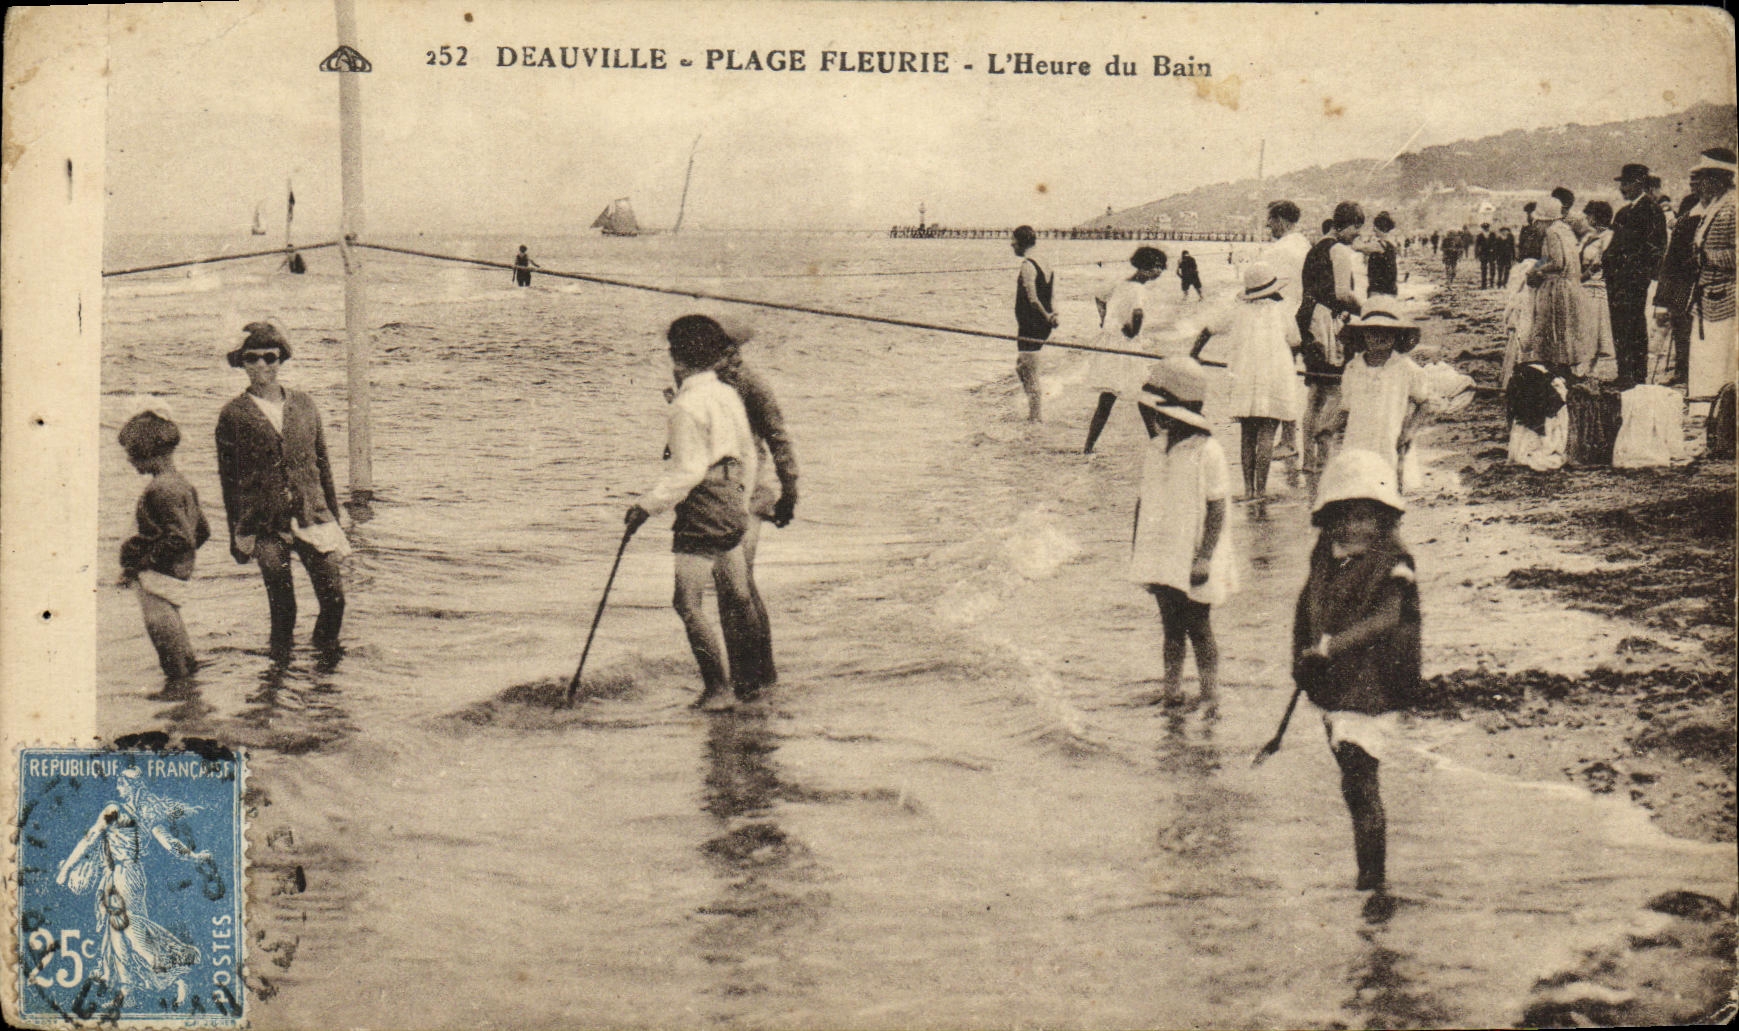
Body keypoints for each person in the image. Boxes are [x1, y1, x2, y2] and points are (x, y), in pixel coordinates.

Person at [1291, 449, 1420, 896]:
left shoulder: (1394, 559)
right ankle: (1369, 877)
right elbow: (1308, 608)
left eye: (1367, 516)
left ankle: (1373, 880)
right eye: (1346, 515)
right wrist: (1303, 660)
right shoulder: (1326, 554)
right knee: (1352, 780)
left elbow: (1386, 619)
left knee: (1362, 780)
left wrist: (1331, 645)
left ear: (1384, 518)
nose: (1356, 526)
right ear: (1331, 516)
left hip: (1376, 682)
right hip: (1336, 684)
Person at [625, 315, 766, 710]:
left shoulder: (686, 405)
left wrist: (645, 507)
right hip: (733, 496)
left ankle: (717, 690)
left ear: (677, 355)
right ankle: (753, 685)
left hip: (703, 504)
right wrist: (740, 500)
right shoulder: (726, 394)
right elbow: (749, 453)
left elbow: (687, 471)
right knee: (738, 595)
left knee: (687, 603)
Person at [215, 322, 349, 653]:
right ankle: (279, 681)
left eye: (270, 357)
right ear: (242, 363)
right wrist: (236, 534)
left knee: (335, 600)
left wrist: (334, 517)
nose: (262, 365)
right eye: (252, 358)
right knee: (283, 608)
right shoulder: (233, 415)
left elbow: (323, 464)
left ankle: (325, 671)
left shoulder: (304, 405)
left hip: (311, 513)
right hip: (262, 522)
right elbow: (229, 481)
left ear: (281, 359)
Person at [55, 769, 212, 1006]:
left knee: (130, 932)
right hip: (134, 876)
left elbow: (89, 839)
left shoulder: (113, 811)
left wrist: (66, 869)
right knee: (120, 935)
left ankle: (175, 972)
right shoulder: (148, 814)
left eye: (122, 784)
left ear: (132, 787)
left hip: (122, 876)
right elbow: (170, 844)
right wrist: (193, 856)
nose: (118, 789)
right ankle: (128, 992)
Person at [1130, 357, 1235, 707]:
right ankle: (1172, 691)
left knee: (1198, 626)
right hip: (1162, 551)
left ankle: (1210, 694)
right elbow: (1144, 503)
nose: (1155, 418)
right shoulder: (1157, 448)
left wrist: (1205, 555)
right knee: (1170, 627)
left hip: (1193, 553)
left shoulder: (1208, 451)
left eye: (1161, 411)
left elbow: (1218, 508)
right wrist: (1138, 552)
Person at [713, 317, 799, 693]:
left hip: (753, 491)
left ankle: (752, 677)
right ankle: (756, 673)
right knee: (737, 583)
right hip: (725, 490)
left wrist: (790, 494)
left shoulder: (751, 384)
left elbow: (779, 440)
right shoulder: (707, 384)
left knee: (736, 583)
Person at [118, 403, 210, 680]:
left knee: (171, 659)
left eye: (130, 454)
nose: (129, 461)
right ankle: (189, 700)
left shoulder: (159, 489)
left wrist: (144, 562)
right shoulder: (181, 483)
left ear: (144, 453)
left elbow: (180, 538)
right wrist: (182, 562)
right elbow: (201, 532)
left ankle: (181, 708)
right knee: (181, 650)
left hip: (157, 581)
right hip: (174, 579)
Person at [1214, 263, 1300, 500]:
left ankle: (1248, 488)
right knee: (1267, 432)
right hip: (1274, 376)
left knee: (1247, 434)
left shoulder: (1239, 310)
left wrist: (1193, 354)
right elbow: (1294, 340)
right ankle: (1261, 490)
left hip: (1244, 376)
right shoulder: (1281, 309)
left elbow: (1211, 328)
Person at [1297, 201, 1366, 477]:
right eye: (1356, 229)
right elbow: (1342, 294)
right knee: (1336, 390)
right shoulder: (1339, 251)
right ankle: (1325, 456)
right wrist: (1367, 311)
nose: (1356, 235)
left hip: (1308, 319)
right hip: (1326, 324)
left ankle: (1308, 460)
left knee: (1314, 393)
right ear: (1348, 225)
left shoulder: (1314, 248)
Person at [1335, 306, 1436, 492]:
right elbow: (1346, 408)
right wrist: (1327, 427)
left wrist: (1409, 432)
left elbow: (1424, 403)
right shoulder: (1353, 368)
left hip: (1390, 441)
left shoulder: (1406, 368)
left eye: (1386, 332)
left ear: (1396, 336)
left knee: (1390, 495)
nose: (1378, 337)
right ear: (1362, 335)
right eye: (1372, 332)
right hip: (1359, 442)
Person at [1084, 246, 1167, 454]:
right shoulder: (1139, 289)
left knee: (1109, 399)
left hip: (1111, 345)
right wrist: (1131, 331)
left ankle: (1088, 447)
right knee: (1143, 395)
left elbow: (1099, 297)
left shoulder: (1121, 282)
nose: (1160, 272)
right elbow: (1137, 313)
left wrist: (1104, 320)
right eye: (1158, 268)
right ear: (1147, 268)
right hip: (1127, 348)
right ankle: (1159, 444)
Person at [1603, 164, 1668, 386]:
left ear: (1639, 183)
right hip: (1617, 281)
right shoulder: (1624, 212)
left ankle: (1636, 375)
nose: (1622, 188)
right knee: (1620, 326)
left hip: (1633, 281)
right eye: (1622, 184)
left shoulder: (1651, 210)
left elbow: (1655, 247)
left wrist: (1637, 273)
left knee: (1634, 326)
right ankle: (1624, 373)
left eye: (1626, 183)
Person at [1264, 200, 1313, 486]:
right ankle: (1292, 439)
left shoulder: (1279, 250)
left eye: (1270, 220)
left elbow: (1268, 289)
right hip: (1303, 319)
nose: (1268, 225)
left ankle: (1288, 440)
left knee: (1282, 380)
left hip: (1285, 321)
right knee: (1294, 379)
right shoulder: (1303, 245)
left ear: (1281, 220)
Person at [1687, 148, 1736, 401]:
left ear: (1719, 178)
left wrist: (1709, 258)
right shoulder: (1713, 206)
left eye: (1704, 176)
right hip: (1707, 295)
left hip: (1726, 297)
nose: (1700, 183)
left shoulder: (1732, 207)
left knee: (1720, 358)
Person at [1524, 195, 1591, 378]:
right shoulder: (1565, 230)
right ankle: (1564, 367)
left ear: (1543, 219)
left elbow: (1557, 262)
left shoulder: (1551, 232)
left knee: (1552, 329)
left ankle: (1557, 369)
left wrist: (1535, 271)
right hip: (1570, 285)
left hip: (1556, 286)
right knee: (1566, 329)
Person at [1654, 192, 1706, 387]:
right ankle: (1682, 371)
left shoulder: (1694, 217)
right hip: (1680, 279)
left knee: (1685, 326)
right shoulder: (1690, 212)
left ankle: (1685, 371)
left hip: (1687, 278)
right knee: (1681, 326)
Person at [1011, 225, 1058, 422]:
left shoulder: (1028, 265)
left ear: (1021, 242)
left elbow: (1033, 299)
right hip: (1040, 323)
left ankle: (1035, 418)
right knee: (1022, 367)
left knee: (1028, 369)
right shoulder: (1045, 262)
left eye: (1013, 241)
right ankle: (1033, 410)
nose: (1011, 244)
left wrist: (1047, 316)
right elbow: (1050, 294)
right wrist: (1053, 314)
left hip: (1032, 324)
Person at [1578, 200, 1618, 381]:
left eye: (1589, 215)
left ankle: (1588, 370)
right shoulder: (1590, 237)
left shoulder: (1609, 237)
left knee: (1593, 331)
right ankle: (1585, 370)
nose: (1587, 218)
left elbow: (1599, 264)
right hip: (1585, 286)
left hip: (1596, 287)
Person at [1359, 212, 1400, 297]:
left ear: (1378, 227)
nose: (1373, 229)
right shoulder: (1391, 244)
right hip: (1390, 288)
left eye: (1375, 226)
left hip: (1378, 290)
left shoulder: (1379, 245)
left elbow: (1359, 248)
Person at [1475, 224, 1493, 289]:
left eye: (1487, 227)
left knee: (1492, 269)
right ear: (1482, 228)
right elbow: (1477, 246)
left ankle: (1492, 283)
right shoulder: (1480, 235)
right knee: (1483, 269)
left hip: (1491, 254)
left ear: (1489, 227)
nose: (1486, 228)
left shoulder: (1492, 234)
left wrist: (1493, 249)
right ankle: (1484, 284)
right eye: (1484, 228)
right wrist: (1477, 255)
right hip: (1483, 253)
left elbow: (1496, 243)